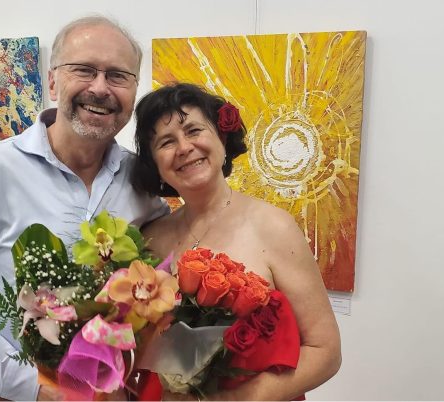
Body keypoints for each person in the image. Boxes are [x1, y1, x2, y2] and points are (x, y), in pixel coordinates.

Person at [0, 16, 168, 401]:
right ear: (52, 82)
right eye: (84, 70)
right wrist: (34, 387)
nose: (100, 88)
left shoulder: (142, 184)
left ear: (134, 89)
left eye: (118, 75)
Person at [131, 83, 342, 400]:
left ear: (222, 138)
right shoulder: (150, 237)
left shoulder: (273, 226)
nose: (184, 147)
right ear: (155, 164)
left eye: (194, 131)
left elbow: (325, 352)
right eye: (166, 142)